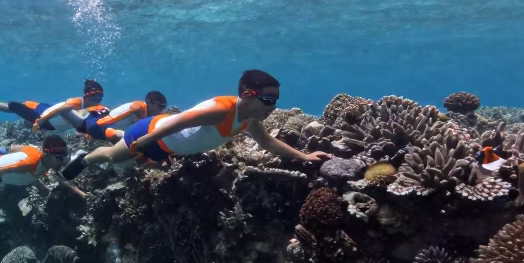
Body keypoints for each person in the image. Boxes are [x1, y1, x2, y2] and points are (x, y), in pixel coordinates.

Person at [61, 70, 331, 180]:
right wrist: (143, 142)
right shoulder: (220, 110)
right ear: (248, 95)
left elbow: (268, 142)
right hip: (153, 133)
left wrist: (304, 156)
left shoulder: (249, 118)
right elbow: (178, 121)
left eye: (275, 101)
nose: (273, 107)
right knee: (114, 158)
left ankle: (121, 136)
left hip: (167, 146)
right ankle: (83, 159)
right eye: (269, 100)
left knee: (130, 153)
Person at [0, 80, 105, 133]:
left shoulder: (96, 108)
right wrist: (41, 121)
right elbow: (60, 110)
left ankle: (29, 119)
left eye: (100, 96)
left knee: (27, 117)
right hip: (44, 115)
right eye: (95, 96)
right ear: (86, 95)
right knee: (15, 107)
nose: (97, 99)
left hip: (48, 115)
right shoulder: (76, 102)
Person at [35, 90, 169, 143]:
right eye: (160, 107)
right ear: (150, 102)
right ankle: (46, 119)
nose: (160, 110)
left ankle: (74, 130)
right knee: (66, 111)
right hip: (97, 126)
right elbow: (136, 110)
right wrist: (42, 120)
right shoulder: (140, 106)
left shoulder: (145, 112)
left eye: (163, 108)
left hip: (97, 126)